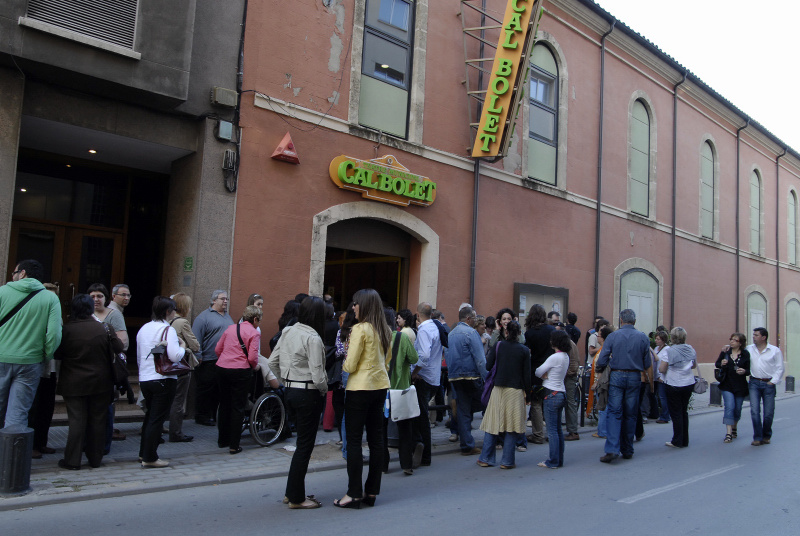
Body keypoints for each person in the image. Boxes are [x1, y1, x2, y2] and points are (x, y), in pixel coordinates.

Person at [269, 296, 327, 509]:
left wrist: (286, 379)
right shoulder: (313, 338)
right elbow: (318, 375)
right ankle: (296, 497)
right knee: (305, 446)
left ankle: (292, 492)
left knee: (300, 444)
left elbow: (272, 362)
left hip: (290, 391)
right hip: (308, 392)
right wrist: (323, 390)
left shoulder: (288, 331)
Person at [54, 294, 123, 470]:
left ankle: (72, 460)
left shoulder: (67, 330)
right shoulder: (105, 328)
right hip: (101, 382)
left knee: (76, 421)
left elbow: (57, 354)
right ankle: (95, 459)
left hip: (74, 383)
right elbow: (119, 348)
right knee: (98, 421)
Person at [336, 289, 391, 508]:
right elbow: (387, 361)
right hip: (379, 387)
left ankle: (353, 493)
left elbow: (350, 365)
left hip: (359, 388)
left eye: (356, 304)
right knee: (377, 440)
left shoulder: (359, 329)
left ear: (365, 306)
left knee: (354, 440)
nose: (353, 307)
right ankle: (372, 492)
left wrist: (346, 361)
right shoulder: (384, 329)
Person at [0, 259, 62, 428]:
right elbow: (54, 335)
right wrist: (45, 355)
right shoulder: (50, 298)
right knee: (18, 414)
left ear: (22, 273)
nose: (12, 276)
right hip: (31, 361)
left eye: (14, 273)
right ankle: (12, 453)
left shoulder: (2, 292)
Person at [595, 309, 651, 463]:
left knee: (614, 412)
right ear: (634, 321)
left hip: (617, 375)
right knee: (631, 413)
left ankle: (612, 449)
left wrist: (601, 370)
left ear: (621, 320)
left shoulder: (613, 336)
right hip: (634, 376)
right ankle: (627, 448)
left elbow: (602, 359)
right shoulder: (642, 337)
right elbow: (647, 363)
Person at [137, 296, 186, 468]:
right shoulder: (168, 330)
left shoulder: (144, 328)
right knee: (157, 419)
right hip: (163, 378)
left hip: (145, 378)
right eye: (173, 310)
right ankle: (150, 457)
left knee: (150, 416)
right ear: (167, 311)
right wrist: (183, 347)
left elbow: (139, 356)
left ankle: (143, 453)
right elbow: (174, 356)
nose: (174, 313)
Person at [477, 321, 531, 469]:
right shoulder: (524, 350)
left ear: (505, 332)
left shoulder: (498, 346)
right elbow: (527, 376)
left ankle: (485, 458)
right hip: (515, 391)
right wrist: (529, 395)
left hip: (498, 389)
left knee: (493, 423)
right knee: (512, 426)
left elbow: (488, 366)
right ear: (519, 333)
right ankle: (507, 461)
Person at [215, 305, 261, 454]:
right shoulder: (253, 333)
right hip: (241, 371)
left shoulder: (230, 328)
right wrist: (254, 367)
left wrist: (225, 359)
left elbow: (217, 349)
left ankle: (222, 440)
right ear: (255, 319)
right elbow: (253, 358)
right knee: (237, 407)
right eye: (258, 320)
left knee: (224, 404)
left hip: (222, 368)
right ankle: (234, 445)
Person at [88, 283, 128, 446]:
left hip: (107, 367)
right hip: (89, 368)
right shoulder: (86, 314)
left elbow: (122, 343)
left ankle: (105, 440)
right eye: (92, 297)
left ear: (106, 298)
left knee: (107, 405)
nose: (96, 300)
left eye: (99, 296)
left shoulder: (114, 315)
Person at [444, 306, 487, 456]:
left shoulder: (451, 334)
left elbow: (447, 356)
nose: (475, 321)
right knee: (485, 402)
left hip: (455, 377)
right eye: (474, 318)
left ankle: (467, 444)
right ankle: (493, 439)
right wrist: (487, 377)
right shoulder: (471, 333)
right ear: (469, 318)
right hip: (471, 376)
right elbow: (480, 360)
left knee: (463, 410)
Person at [382, 306, 419, 475]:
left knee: (380, 430)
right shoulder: (402, 338)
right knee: (405, 430)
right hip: (401, 389)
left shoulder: (377, 339)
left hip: (382, 390)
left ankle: (382, 465)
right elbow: (414, 358)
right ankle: (406, 464)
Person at [192, 289, 234, 426]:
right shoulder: (203, 317)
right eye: (223, 299)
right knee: (205, 389)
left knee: (218, 389)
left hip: (225, 360)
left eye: (226, 299)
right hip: (208, 360)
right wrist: (198, 355)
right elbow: (196, 338)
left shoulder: (228, 317)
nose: (225, 301)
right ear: (214, 300)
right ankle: (201, 416)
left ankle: (213, 415)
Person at [29, 282, 60, 459]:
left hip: (52, 368)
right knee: (33, 406)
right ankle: (32, 444)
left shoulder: (57, 314)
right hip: (36, 365)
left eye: (54, 294)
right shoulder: (36, 314)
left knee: (47, 407)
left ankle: (42, 442)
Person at [411, 302, 442, 469]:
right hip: (434, 376)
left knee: (420, 417)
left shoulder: (423, 330)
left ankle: (424, 454)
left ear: (418, 314)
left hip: (424, 377)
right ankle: (424, 453)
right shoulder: (434, 327)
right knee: (422, 415)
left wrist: (414, 372)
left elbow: (423, 355)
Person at [536, 330, 571, 469]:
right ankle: (558, 459)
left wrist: (544, 375)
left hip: (551, 393)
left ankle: (553, 461)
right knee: (558, 429)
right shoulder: (565, 356)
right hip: (561, 392)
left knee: (551, 431)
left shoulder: (554, 357)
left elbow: (538, 371)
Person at [167, 292, 200, 442]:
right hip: (181, 365)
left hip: (168, 365)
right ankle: (176, 432)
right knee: (178, 400)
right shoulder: (182, 322)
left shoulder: (168, 320)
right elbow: (195, 345)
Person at [659, 327, 696, 448]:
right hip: (688, 382)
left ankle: (677, 440)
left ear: (672, 337)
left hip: (674, 383)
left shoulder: (669, 351)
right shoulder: (690, 349)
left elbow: (662, 369)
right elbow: (693, 365)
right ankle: (685, 440)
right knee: (683, 411)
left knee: (675, 413)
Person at [746, 327, 784, 446]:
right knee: (754, 411)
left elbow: (780, 368)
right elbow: (737, 352)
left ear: (764, 337)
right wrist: (726, 347)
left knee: (768, 413)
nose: (754, 337)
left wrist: (773, 382)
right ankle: (757, 437)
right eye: (754, 335)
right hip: (754, 383)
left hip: (768, 383)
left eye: (756, 335)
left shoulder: (774, 350)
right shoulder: (749, 349)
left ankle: (766, 435)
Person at [523, 304, 553, 445]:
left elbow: (527, 354)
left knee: (535, 404)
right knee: (549, 403)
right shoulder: (551, 330)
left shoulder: (529, 333)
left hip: (535, 371)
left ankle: (538, 434)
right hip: (551, 371)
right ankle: (552, 433)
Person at [715, 333, 750, 443]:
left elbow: (749, 370)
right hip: (727, 385)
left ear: (740, 343)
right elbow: (717, 364)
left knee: (737, 409)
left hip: (740, 386)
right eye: (731, 339)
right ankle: (728, 433)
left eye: (735, 340)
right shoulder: (725, 352)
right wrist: (722, 363)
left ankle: (734, 426)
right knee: (729, 406)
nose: (732, 342)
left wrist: (744, 371)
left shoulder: (745, 354)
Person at [554, 323, 581, 441]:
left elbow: (574, 364)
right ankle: (571, 430)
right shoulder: (566, 344)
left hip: (568, 377)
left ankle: (573, 431)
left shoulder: (569, 345)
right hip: (566, 376)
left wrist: (564, 374)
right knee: (568, 403)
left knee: (570, 402)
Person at [591, 325, 615, 439]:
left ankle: (602, 431)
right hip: (606, 381)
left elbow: (602, 367)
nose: (597, 338)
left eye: (599, 336)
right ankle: (605, 430)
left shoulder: (604, 350)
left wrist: (597, 382)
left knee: (602, 405)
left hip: (603, 381)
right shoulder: (607, 349)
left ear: (603, 338)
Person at [652, 330, 671, 424]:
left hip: (662, 377)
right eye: (656, 338)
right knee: (655, 395)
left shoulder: (667, 349)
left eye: (658, 339)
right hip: (655, 376)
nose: (656, 340)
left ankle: (665, 416)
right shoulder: (656, 348)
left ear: (663, 340)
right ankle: (657, 413)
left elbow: (663, 362)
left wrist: (660, 376)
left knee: (663, 397)